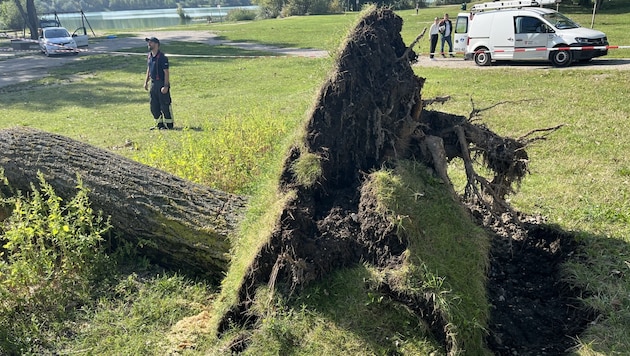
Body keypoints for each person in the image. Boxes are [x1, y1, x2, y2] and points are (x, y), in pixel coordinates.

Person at [143, 37, 174, 130]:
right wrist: (146, 82)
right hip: (153, 84)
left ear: (156, 44)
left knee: (164, 105)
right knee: (154, 106)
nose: (149, 44)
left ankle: (169, 125)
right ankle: (159, 125)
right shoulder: (149, 56)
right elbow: (149, 69)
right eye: (148, 43)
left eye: (151, 43)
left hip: (161, 83)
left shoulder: (162, 57)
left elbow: (166, 72)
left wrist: (166, 86)